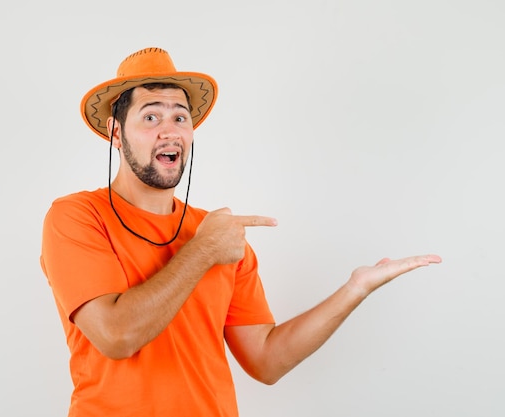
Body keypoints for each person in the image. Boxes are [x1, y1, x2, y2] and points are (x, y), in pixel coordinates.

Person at [40, 46, 441, 417]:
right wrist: (202, 251)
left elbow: (266, 360)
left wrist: (354, 289)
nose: (171, 130)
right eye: (151, 116)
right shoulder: (76, 216)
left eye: (180, 117)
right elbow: (116, 336)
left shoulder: (219, 234)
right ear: (114, 133)